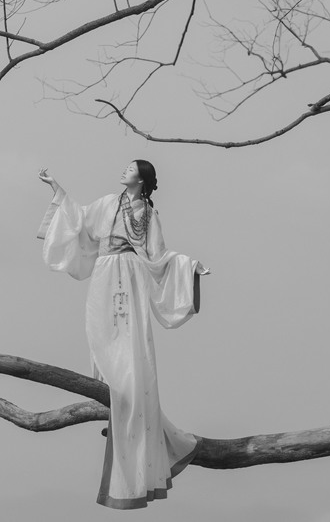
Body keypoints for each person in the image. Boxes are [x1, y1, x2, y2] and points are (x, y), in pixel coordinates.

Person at [37, 160, 209, 510]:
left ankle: (127, 409)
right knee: (100, 338)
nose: (123, 171)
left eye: (130, 169)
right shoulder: (107, 203)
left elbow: (159, 256)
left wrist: (189, 267)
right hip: (104, 274)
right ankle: (113, 403)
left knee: (131, 348)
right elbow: (79, 219)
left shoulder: (149, 214)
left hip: (131, 275)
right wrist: (57, 188)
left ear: (141, 179)